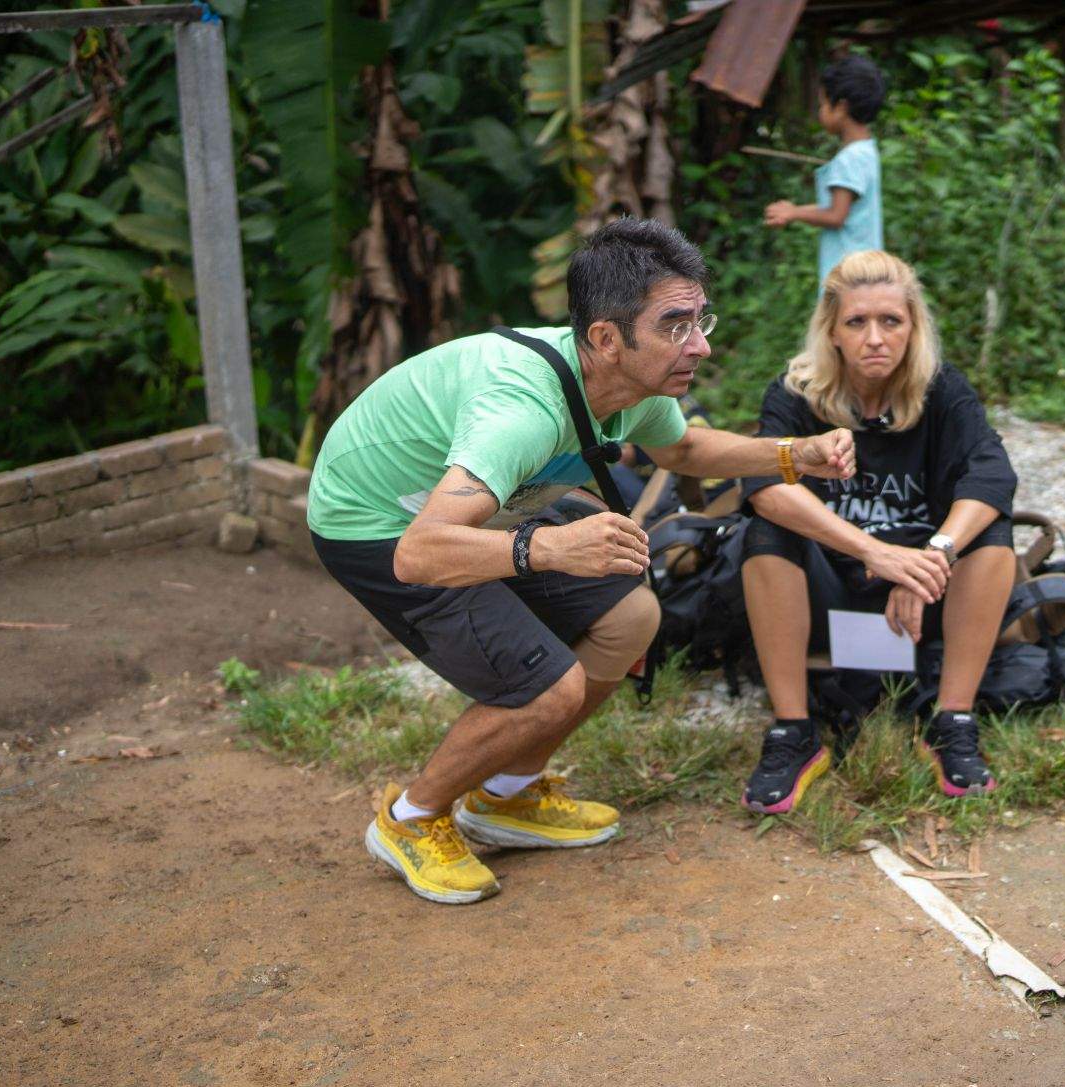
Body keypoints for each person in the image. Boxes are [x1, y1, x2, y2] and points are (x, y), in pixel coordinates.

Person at [306, 219, 856, 905]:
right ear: (606, 337)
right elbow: (420, 553)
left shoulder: (624, 385)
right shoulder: (521, 413)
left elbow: (682, 452)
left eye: (699, 319)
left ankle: (505, 795)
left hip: (485, 513)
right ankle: (410, 819)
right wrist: (547, 547)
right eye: (677, 326)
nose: (702, 344)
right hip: (379, 525)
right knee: (549, 687)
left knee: (631, 616)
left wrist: (790, 455)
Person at [737, 250, 1018, 814]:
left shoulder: (942, 390)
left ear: (912, 328)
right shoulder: (796, 393)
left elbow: (992, 475)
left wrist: (931, 558)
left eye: (891, 321)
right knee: (765, 531)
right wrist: (875, 552)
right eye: (857, 322)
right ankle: (794, 731)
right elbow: (763, 483)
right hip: (830, 586)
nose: (874, 337)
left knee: (991, 534)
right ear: (832, 332)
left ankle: (951, 720)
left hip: (926, 591)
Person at [763, 55, 886, 284]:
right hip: (867, 273)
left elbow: (836, 215)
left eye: (822, 104)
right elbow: (842, 209)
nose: (820, 111)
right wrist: (793, 209)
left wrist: (793, 213)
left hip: (847, 277)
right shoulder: (867, 151)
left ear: (840, 107)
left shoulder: (848, 160)